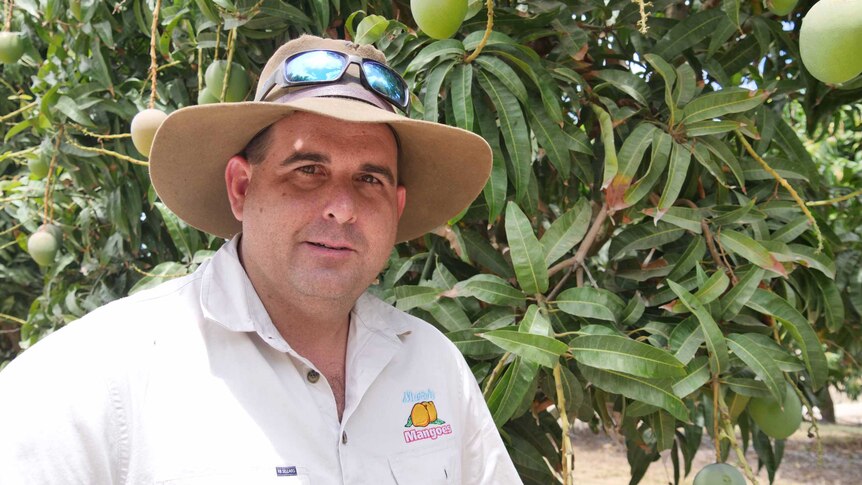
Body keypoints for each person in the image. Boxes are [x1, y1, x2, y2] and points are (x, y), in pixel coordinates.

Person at [0, 35, 522, 484]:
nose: (342, 209)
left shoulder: (434, 366)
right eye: (308, 170)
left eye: (369, 179)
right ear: (242, 188)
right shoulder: (93, 379)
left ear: (397, 207)